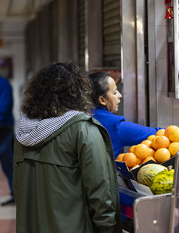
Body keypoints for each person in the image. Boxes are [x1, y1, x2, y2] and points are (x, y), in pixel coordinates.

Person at [13, 62, 122, 233]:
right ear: (79, 93)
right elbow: (100, 191)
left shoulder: (23, 132)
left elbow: (18, 187)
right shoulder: (83, 129)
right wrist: (107, 227)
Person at [89, 72, 162, 158]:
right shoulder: (115, 126)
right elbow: (159, 136)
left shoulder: (79, 115)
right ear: (102, 100)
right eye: (115, 92)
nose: (120, 95)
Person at [0, 62, 15, 206]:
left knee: (8, 164)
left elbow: (3, 108)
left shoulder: (3, 85)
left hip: (3, 129)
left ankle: (15, 195)